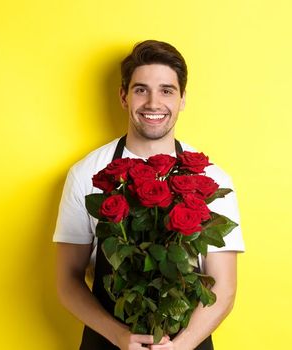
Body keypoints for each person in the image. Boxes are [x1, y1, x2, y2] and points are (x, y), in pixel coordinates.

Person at [53, 40, 245, 350]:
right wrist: (119, 336)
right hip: (107, 341)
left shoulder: (212, 178)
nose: (153, 103)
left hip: (187, 342)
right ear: (123, 96)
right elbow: (67, 280)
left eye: (167, 90)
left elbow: (223, 287)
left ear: (182, 99)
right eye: (141, 89)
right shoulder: (86, 173)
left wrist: (181, 346)